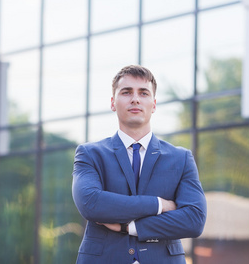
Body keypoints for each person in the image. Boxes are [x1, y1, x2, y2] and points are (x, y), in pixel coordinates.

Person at [72, 65, 207, 264]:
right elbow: (91, 204)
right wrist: (160, 204)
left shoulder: (181, 158)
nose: (135, 99)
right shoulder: (90, 154)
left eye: (143, 93)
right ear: (113, 102)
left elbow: (194, 220)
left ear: (153, 104)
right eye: (126, 92)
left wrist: (129, 227)